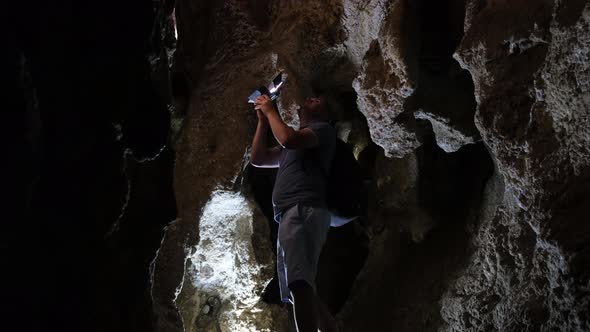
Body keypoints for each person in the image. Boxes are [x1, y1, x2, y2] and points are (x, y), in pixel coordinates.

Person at [250, 93, 339, 332]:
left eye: (318, 100)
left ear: (327, 115)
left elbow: (288, 138)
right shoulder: (295, 145)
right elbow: (258, 159)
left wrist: (271, 111)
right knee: (305, 290)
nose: (310, 99)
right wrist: (262, 121)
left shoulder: (322, 131)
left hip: (303, 210)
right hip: (292, 215)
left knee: (300, 285)